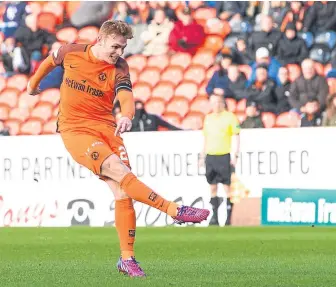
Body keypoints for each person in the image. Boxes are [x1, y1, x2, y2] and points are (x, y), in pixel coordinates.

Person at [26, 20, 209, 278]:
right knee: (118, 170)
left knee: (123, 192)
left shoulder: (120, 66)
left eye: (122, 48)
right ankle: (174, 210)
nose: (119, 53)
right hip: (76, 130)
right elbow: (49, 61)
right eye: (115, 47)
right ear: (100, 40)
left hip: (107, 129)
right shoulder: (72, 52)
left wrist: (127, 115)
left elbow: (125, 93)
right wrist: (33, 85)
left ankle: (127, 259)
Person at [199, 94, 240, 226]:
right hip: (211, 156)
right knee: (212, 187)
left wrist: (235, 155)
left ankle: (228, 218)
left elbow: (236, 136)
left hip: (224, 155)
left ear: (222, 103)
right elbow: (205, 139)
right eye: (213, 102)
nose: (216, 105)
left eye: (218, 102)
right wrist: (202, 156)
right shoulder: (208, 118)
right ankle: (215, 217)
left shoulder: (230, 117)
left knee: (227, 187)